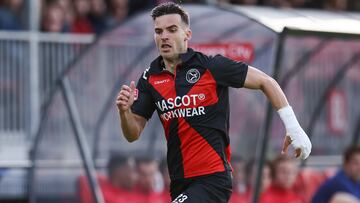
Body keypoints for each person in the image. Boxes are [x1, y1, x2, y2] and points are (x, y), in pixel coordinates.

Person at [115, 2, 312, 202]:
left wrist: (292, 126)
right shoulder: (150, 78)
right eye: (158, 31)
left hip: (213, 178)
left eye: (172, 30)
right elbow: (133, 134)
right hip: (180, 181)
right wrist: (124, 112)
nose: (164, 36)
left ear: (187, 34)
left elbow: (266, 81)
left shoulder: (210, 66)